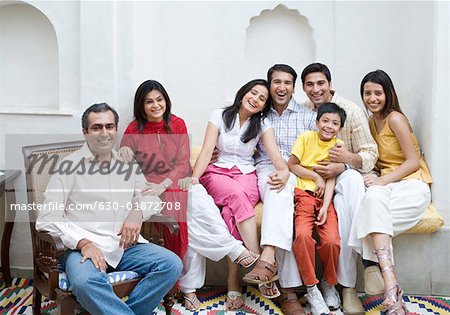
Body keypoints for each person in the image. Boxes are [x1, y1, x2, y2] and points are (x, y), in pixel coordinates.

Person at [120, 80, 260, 311]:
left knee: (201, 210)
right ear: (141, 106)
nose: (156, 105)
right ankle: (230, 254)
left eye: (159, 99)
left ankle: (192, 288)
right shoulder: (134, 130)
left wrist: (164, 185)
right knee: (191, 220)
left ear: (166, 100)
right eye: (149, 102)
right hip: (148, 189)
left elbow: (182, 162)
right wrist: (124, 151)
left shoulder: (177, 123)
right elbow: (125, 162)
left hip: (176, 181)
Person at [35, 103, 183, 315]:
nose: (104, 133)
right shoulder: (68, 167)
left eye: (109, 126)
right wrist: (83, 243)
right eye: (97, 128)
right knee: (84, 281)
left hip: (124, 246)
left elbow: (152, 199)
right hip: (84, 248)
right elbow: (47, 218)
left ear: (116, 129)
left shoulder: (126, 164)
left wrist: (137, 212)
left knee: (171, 265)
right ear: (85, 132)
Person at [182, 79, 290, 308]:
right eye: (253, 93)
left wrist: (285, 172)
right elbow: (207, 149)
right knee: (235, 196)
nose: (256, 99)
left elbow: (276, 157)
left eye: (262, 99)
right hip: (218, 174)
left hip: (246, 176)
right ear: (243, 93)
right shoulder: (219, 115)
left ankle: (234, 283)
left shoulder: (262, 124)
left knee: (233, 211)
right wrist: (194, 176)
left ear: (264, 106)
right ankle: (262, 264)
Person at [301, 63, 378, 314]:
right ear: (303, 88)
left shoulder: (351, 111)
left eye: (321, 83)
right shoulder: (302, 112)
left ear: (330, 84)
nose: (316, 89)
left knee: (353, 185)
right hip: (310, 180)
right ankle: (334, 282)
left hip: (346, 176)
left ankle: (348, 285)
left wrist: (345, 162)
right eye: (310, 84)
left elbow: (370, 153)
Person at [356, 70, 432, 315]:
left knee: (369, 219)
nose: (373, 98)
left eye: (378, 93)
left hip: (412, 185)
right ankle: (392, 288)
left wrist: (381, 180)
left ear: (388, 94)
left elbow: (412, 161)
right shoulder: (370, 122)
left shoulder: (396, 119)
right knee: (372, 202)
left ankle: (391, 288)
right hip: (389, 185)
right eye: (367, 93)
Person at [243, 64, 317, 315]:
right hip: (266, 169)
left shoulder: (308, 117)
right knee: (278, 190)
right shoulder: (259, 115)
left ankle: (269, 259)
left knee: (282, 196)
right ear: (269, 84)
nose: (281, 87)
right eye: (276, 82)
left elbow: (318, 150)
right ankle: (289, 292)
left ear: (294, 87)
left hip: (297, 172)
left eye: (287, 83)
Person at [288, 103, 346, 315]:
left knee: (331, 240)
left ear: (340, 128)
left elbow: (331, 178)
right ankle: (311, 288)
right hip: (304, 195)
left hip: (325, 199)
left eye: (335, 123)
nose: (329, 126)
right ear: (317, 122)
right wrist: (315, 177)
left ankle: (328, 283)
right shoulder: (306, 138)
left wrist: (326, 205)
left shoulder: (338, 146)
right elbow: (292, 165)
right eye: (325, 121)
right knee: (303, 236)